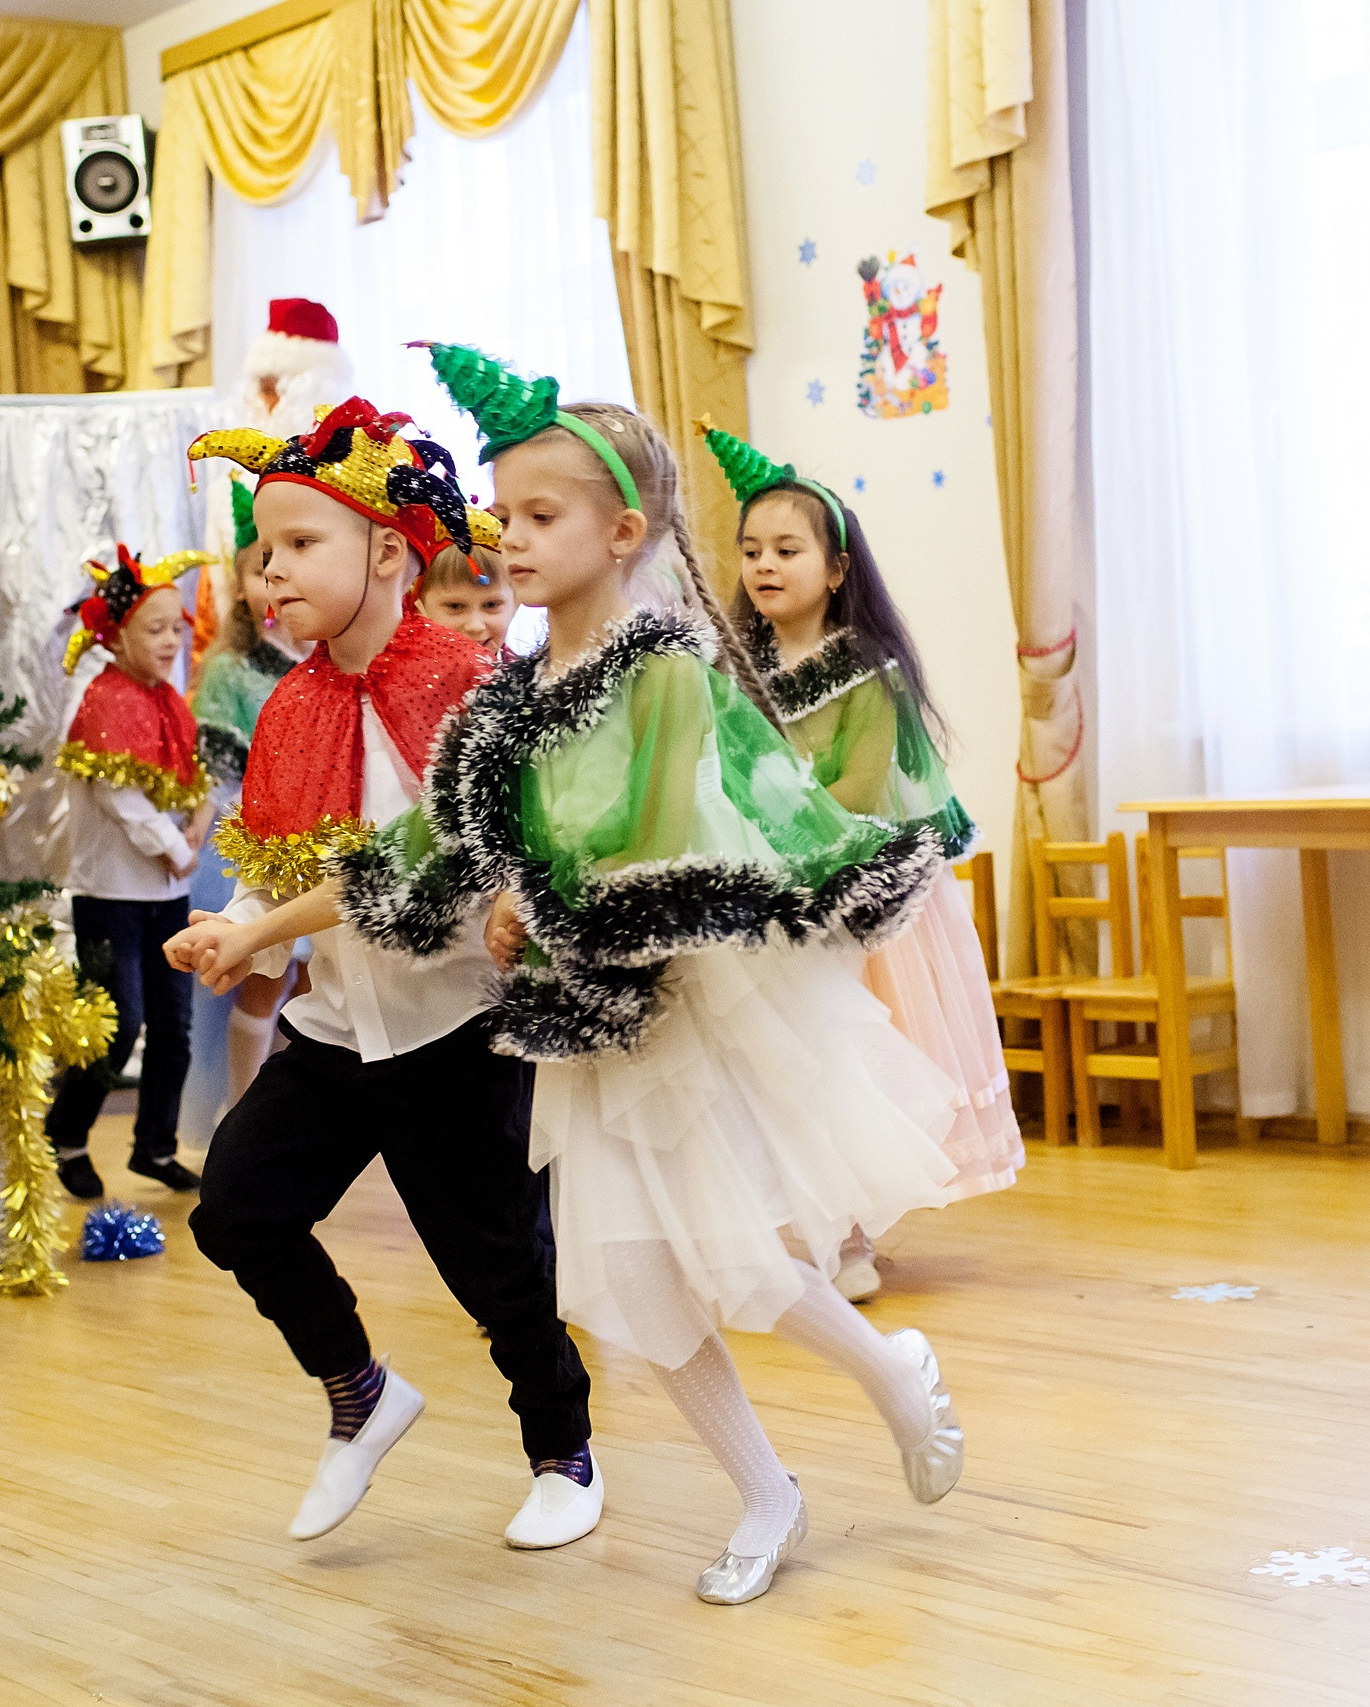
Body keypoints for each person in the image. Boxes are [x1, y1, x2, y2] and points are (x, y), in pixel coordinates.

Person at [331, 345, 969, 1605]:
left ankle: (889, 1376)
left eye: (540, 516)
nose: (507, 539)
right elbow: (453, 836)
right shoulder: (516, 692)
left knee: (722, 1258)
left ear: (623, 531)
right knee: (629, 1274)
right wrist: (280, 924)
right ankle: (769, 1492)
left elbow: (660, 826)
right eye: (501, 515)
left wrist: (544, 904)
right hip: (578, 1012)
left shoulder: (664, 663)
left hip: (671, 998)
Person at [164, 397, 600, 1552]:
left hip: (458, 1033)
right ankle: (358, 1393)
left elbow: (423, 875)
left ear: (391, 556)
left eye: (301, 545)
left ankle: (563, 1449)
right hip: (337, 1032)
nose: (269, 574)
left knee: (500, 1275)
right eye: (263, 551)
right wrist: (233, 920)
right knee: (239, 1206)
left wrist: (259, 932)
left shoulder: (464, 684)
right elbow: (284, 862)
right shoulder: (290, 705)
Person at [701, 421, 1021, 1302]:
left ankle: (850, 1237)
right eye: (751, 550)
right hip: (769, 894)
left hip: (854, 892)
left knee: (850, 1060)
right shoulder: (734, 674)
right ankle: (806, 1226)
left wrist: (774, 819)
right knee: (780, 1062)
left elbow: (859, 786)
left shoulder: (867, 671)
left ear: (837, 568)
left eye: (787, 549)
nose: (764, 565)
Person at [46, 545, 219, 1198]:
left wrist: (198, 815)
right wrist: (175, 846)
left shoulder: (168, 703)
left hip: (165, 894)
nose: (173, 639)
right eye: (157, 629)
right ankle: (65, 1133)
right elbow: (122, 798)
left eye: (177, 627)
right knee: (115, 1026)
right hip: (110, 894)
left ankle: (155, 1145)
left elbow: (188, 771)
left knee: (172, 1028)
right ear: (116, 636)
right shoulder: (103, 701)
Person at [191, 480, 312, 1111]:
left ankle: (292, 1108)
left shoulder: (324, 661)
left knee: (309, 982)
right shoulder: (230, 672)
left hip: (317, 842)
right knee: (264, 978)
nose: (274, 579)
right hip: (249, 841)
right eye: (260, 568)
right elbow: (219, 773)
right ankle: (243, 1108)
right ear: (243, 587)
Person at [416, 542, 517, 655]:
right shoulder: (400, 670)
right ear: (420, 610)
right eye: (455, 606)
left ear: (515, 604)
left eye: (491, 605)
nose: (475, 626)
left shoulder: (533, 671)